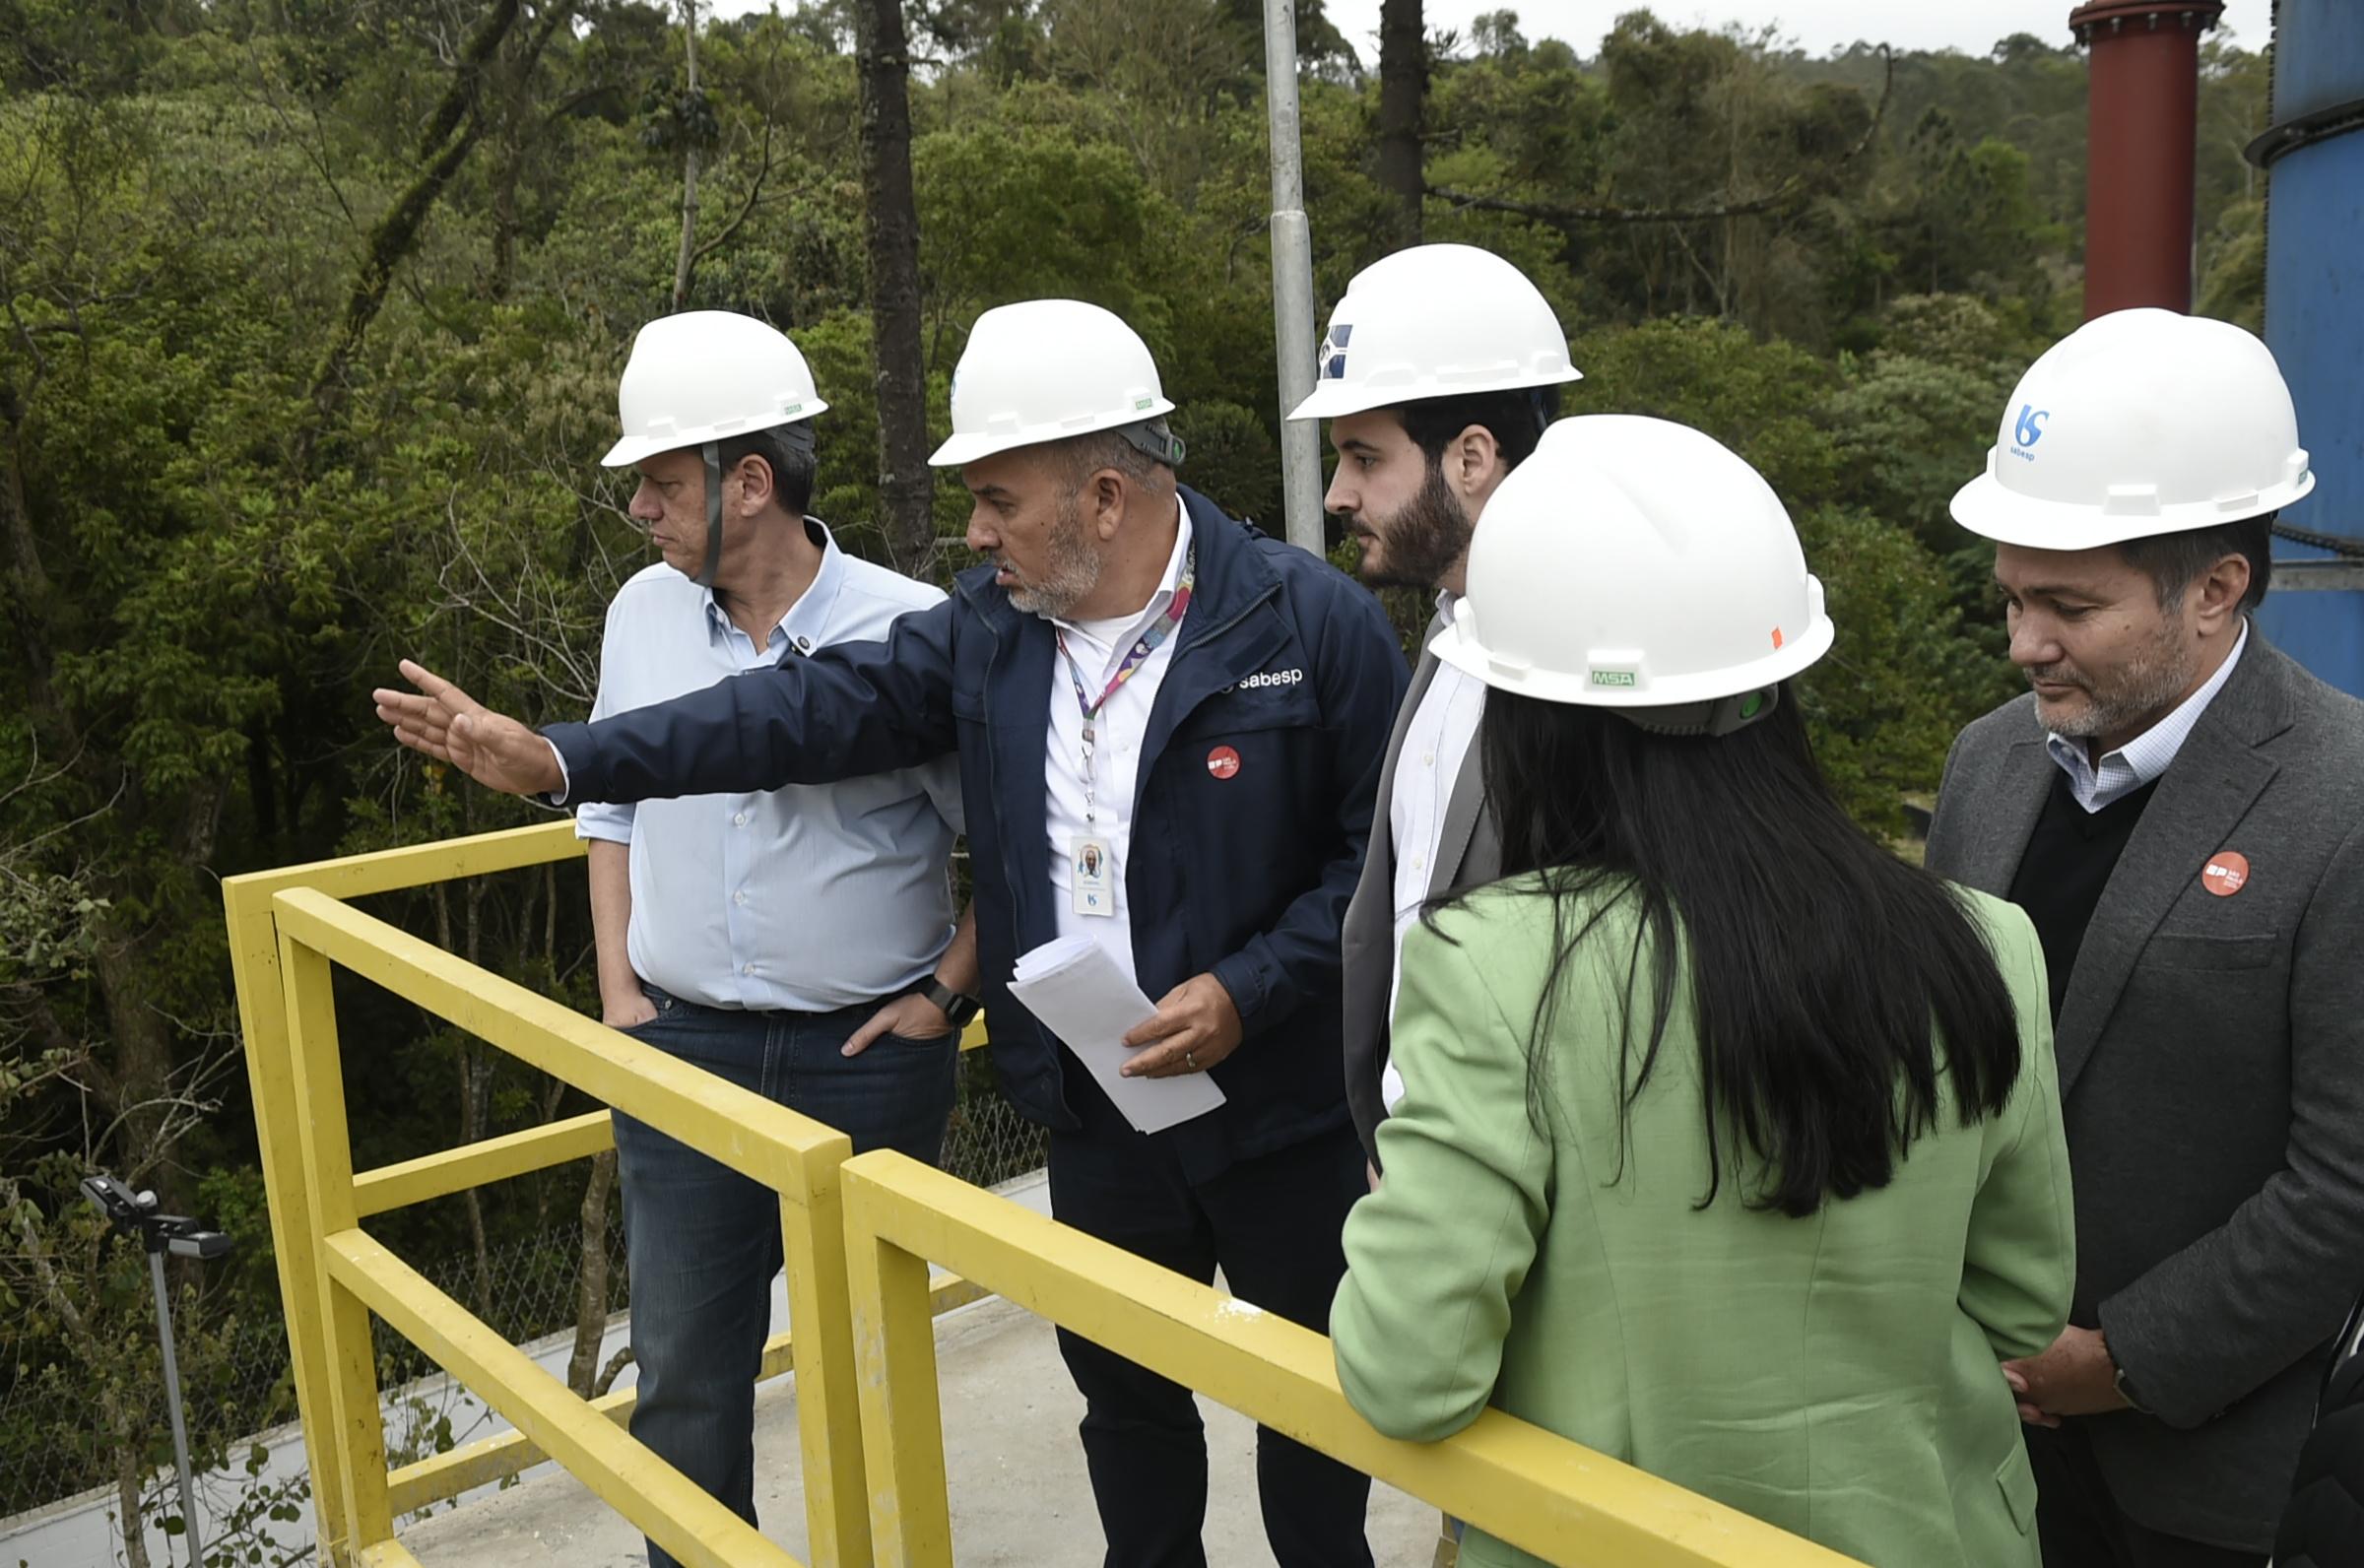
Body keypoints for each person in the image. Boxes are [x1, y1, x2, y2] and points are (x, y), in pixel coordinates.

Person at [374, 298, 1409, 1568]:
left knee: (1312, 1411)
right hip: (1099, 1110)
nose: (974, 533)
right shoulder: (990, 631)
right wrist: (565, 758)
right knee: (1130, 1412)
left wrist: (1249, 987)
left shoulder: (1308, 625)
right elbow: (788, 716)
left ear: (1102, 499)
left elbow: (1377, 869)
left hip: (1277, 1109)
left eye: (997, 501)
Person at [1330, 415, 2074, 1568]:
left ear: (1527, 720)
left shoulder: (1493, 967)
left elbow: (1408, 1374)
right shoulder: (1989, 943)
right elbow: (2023, 1302)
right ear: (1782, 683)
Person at [1926, 306, 2364, 1566]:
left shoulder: (2341, 799)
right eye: (2013, 597)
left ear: (2217, 588)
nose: (2024, 643)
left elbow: (2342, 1185)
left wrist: (2117, 1360)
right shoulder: (1989, 766)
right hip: (1974, 1437)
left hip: (2202, 1479)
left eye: (2069, 604)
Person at [575, 310, 980, 1568]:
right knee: (685, 1378)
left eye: (660, 479)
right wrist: (621, 999)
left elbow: (1014, 843)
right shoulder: (641, 614)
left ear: (748, 481)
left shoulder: (912, 629)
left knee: (871, 1365)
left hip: (868, 1057)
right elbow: (609, 809)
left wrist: (946, 995)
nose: (638, 506)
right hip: (681, 1046)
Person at [1284, 242, 1582, 1169]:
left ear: (1472, 458)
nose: (1337, 494)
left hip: (1519, 1181)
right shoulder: (1451, 645)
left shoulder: (1585, 678)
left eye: (1364, 458)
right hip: (1421, 1159)